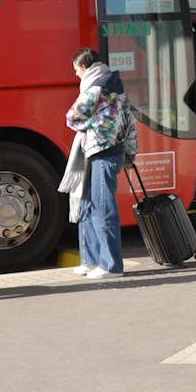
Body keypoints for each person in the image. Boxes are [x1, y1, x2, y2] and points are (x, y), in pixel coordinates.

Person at [65, 47, 137, 278]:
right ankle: (91, 260)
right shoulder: (115, 86)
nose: (76, 74)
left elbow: (72, 117)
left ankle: (110, 265)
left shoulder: (95, 88)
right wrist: (130, 153)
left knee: (101, 207)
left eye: (76, 70)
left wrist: (90, 127)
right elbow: (129, 123)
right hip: (110, 153)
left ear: (85, 68)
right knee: (89, 204)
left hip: (102, 153)